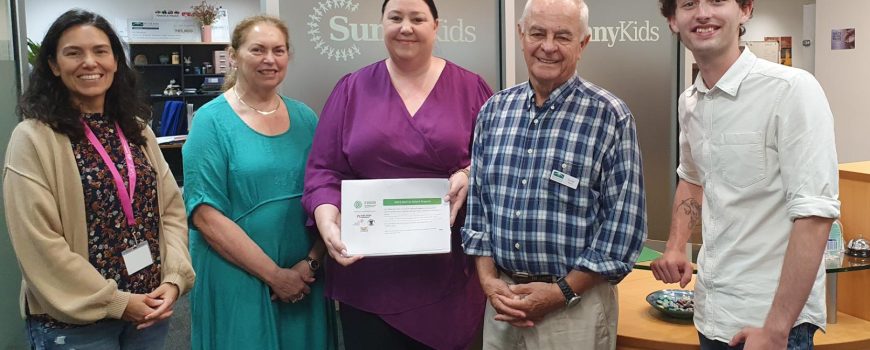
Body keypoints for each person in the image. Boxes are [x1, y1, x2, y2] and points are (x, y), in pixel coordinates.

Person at [302, 0, 493, 348]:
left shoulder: (471, 89)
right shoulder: (351, 89)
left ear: (435, 26)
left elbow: (495, 164)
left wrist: (467, 173)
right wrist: (327, 217)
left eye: (417, 18)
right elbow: (324, 170)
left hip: (447, 273)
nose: (406, 27)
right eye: (396, 18)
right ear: (381, 24)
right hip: (369, 274)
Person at [651, 1, 840, 349]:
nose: (703, 13)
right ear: (672, 20)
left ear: (746, 10)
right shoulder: (690, 102)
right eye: (689, 4)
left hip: (773, 326)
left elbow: (815, 214)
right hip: (711, 314)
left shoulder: (791, 90)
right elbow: (692, 179)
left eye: (717, 0)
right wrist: (676, 246)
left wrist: (776, 329)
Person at [460, 0, 647, 349]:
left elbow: (624, 228)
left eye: (562, 36)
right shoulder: (494, 111)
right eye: (537, 33)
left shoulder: (609, 116)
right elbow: (479, 208)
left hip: (574, 310)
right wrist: (487, 280)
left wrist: (560, 292)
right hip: (502, 302)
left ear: (583, 43)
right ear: (520, 35)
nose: (547, 46)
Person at [3, 9, 194, 349]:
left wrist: (175, 278)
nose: (89, 62)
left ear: (116, 62)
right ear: (53, 65)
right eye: (73, 53)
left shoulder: (138, 131)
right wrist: (116, 302)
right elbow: (39, 242)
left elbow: (171, 210)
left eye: (100, 51)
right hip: (78, 323)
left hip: (149, 308)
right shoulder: (33, 138)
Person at [183, 15, 330, 349]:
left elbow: (325, 192)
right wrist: (275, 276)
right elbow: (205, 214)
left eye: (278, 50)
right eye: (258, 49)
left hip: (304, 273)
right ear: (234, 55)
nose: (270, 59)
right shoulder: (211, 121)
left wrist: (310, 263)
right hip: (237, 274)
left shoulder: (306, 117)